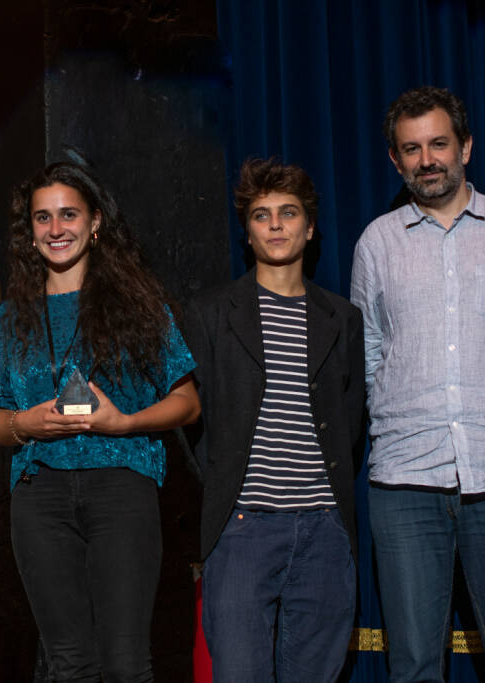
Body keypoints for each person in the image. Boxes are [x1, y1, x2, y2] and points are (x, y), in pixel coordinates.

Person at [351, 86, 485, 682]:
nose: (428, 160)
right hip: (404, 478)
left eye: (439, 144)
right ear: (395, 160)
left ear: (466, 147)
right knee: (415, 668)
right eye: (412, 149)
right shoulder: (377, 242)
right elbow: (368, 350)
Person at [0, 162, 200, 682]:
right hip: (39, 499)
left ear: (95, 221)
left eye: (68, 214)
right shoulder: (10, 318)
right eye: (42, 218)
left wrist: (124, 423)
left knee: (126, 664)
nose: (56, 229)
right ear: (29, 232)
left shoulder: (140, 306)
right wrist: (27, 424)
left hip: (122, 488)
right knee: (69, 663)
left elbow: (188, 402)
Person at [184, 158, 364, 682]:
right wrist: (230, 492)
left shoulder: (342, 318)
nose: (276, 225)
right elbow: (194, 421)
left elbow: (350, 417)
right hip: (243, 529)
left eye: (288, 213)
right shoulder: (212, 313)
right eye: (262, 215)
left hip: (325, 530)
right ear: (247, 231)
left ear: (309, 227)